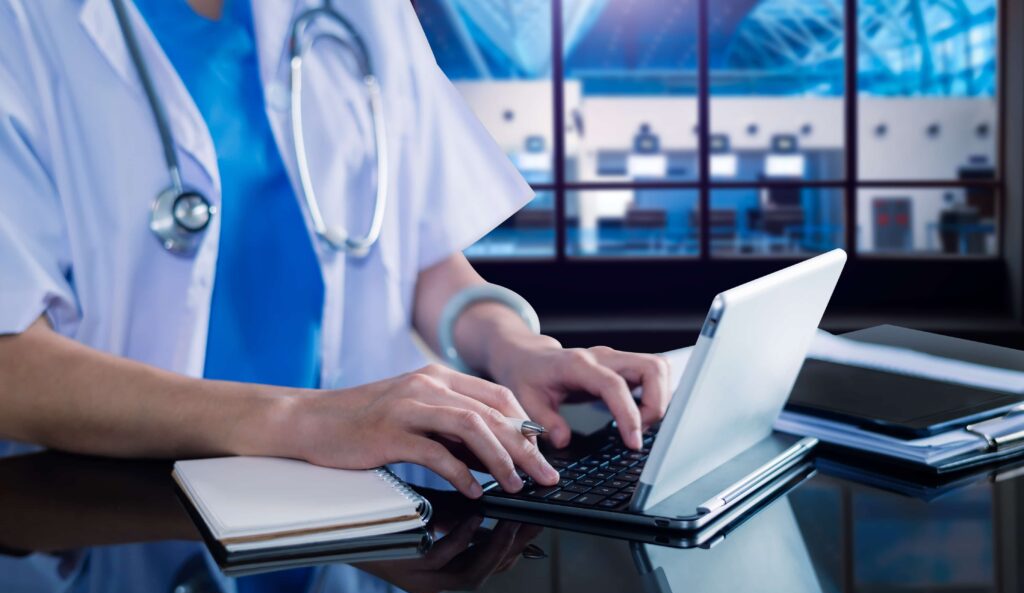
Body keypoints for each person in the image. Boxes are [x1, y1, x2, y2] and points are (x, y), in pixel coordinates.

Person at [0, 0, 670, 499]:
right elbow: (11, 365)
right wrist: (308, 420)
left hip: (355, 518)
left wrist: (513, 348)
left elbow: (415, 254)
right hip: (121, 519)